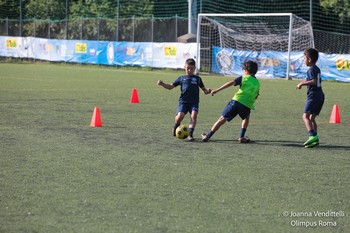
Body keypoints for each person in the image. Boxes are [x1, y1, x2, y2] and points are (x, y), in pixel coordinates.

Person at [201, 60, 260, 143]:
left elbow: (230, 83)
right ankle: (241, 137)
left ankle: (207, 136)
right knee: (246, 118)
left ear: (246, 70)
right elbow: (256, 95)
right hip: (247, 105)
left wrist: (217, 90)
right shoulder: (257, 82)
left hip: (236, 102)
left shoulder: (244, 77)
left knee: (222, 119)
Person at [157, 58, 211, 141]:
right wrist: (162, 84)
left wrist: (208, 91)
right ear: (184, 67)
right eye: (188, 68)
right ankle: (176, 125)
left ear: (194, 68)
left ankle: (190, 134)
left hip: (194, 102)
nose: (189, 70)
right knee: (179, 117)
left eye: (192, 68)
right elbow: (171, 87)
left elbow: (204, 90)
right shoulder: (181, 78)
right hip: (183, 102)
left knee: (194, 115)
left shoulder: (198, 79)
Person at [296, 48, 325, 148]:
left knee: (305, 117)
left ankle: (312, 136)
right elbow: (316, 80)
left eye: (304, 58)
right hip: (320, 95)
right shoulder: (316, 68)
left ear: (308, 59)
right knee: (312, 118)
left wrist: (302, 83)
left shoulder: (311, 69)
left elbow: (313, 81)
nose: (304, 60)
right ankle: (315, 139)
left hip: (314, 95)